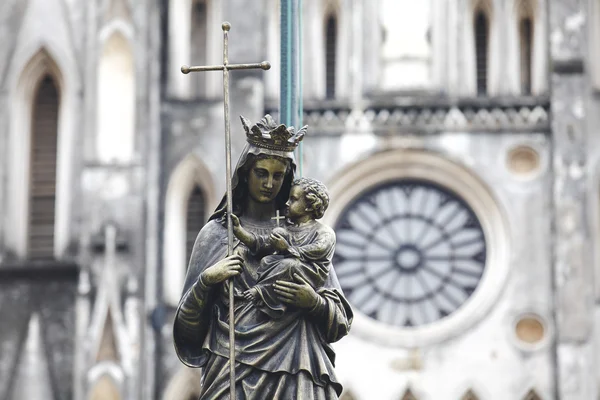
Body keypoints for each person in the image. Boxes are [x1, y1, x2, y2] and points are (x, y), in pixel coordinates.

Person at [173, 115, 353, 399]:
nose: (270, 183)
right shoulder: (218, 234)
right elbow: (186, 332)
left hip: (297, 363)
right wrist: (207, 282)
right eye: (261, 173)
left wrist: (313, 301)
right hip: (231, 367)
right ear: (246, 173)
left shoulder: (305, 233)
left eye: (278, 175)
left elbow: (340, 320)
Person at [230, 177, 335, 319]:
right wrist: (239, 231)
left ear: (309, 206)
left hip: (311, 272)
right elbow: (263, 244)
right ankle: (268, 293)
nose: (287, 203)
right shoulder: (287, 229)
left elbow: (318, 249)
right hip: (288, 268)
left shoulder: (323, 232)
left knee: (289, 264)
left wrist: (288, 249)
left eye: (293, 199)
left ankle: (260, 290)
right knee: (267, 260)